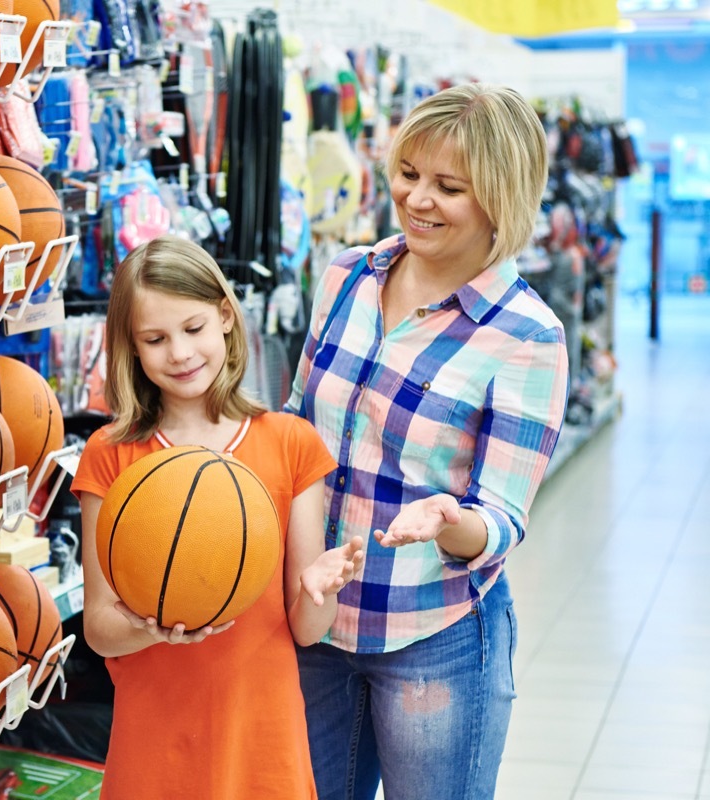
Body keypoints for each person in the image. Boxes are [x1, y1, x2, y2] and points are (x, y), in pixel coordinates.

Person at [285, 83, 570, 799]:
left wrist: (453, 521)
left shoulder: (525, 335)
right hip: (314, 622)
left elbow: (502, 520)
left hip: (433, 635)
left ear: (500, 198)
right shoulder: (348, 275)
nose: (416, 199)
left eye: (449, 187)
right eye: (409, 174)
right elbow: (298, 425)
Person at [70, 235, 365, 799]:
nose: (179, 353)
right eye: (154, 339)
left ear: (226, 318)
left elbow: (305, 628)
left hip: (261, 733)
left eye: (193, 328)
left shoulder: (289, 443)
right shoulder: (110, 454)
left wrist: (321, 590)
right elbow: (100, 629)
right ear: (130, 348)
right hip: (154, 736)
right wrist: (147, 627)